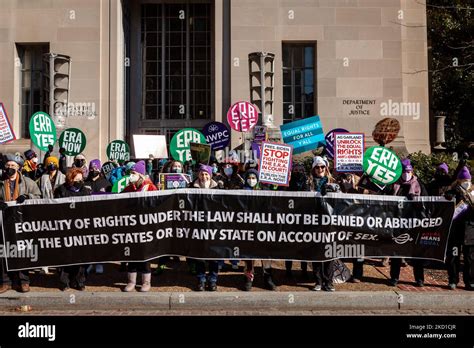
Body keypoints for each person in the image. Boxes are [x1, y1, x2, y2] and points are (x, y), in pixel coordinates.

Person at [0, 154, 41, 293]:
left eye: (13, 166)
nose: (10, 168)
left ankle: (23, 281)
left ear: (18, 168)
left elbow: (38, 197)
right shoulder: (1, 182)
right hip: (4, 223)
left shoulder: (28, 182)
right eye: (8, 165)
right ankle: (6, 282)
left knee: (22, 252)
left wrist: (27, 197)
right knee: (4, 252)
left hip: (21, 222)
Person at [54, 168, 91, 290]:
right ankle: (64, 281)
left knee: (80, 256)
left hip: (81, 228)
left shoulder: (85, 191)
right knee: (66, 256)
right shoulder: (61, 190)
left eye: (81, 179)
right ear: (70, 179)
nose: (79, 182)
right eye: (77, 179)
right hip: (66, 227)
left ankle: (79, 281)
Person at [122, 161, 157, 292]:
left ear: (141, 175)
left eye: (133, 173)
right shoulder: (128, 188)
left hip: (145, 227)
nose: (131, 176)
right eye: (130, 173)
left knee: (144, 255)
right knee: (132, 255)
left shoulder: (150, 188)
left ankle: (146, 282)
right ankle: (131, 281)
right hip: (131, 227)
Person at [390, 158, 425, 287]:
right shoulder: (394, 184)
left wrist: (415, 201)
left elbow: (427, 202)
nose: (406, 173)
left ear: (412, 171)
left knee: (417, 253)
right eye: (404, 171)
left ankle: (419, 279)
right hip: (398, 223)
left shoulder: (418, 184)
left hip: (414, 224)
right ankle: (394, 277)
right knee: (396, 252)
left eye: (409, 171)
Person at [241, 169, 277, 291]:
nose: (251, 180)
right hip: (248, 228)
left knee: (265, 254)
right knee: (249, 255)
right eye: (249, 177)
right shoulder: (240, 192)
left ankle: (267, 277)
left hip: (263, 228)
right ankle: (248, 277)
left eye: (254, 178)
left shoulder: (265, 191)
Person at [445, 166, 474, 290]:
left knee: (470, 258)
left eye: (467, 180)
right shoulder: (452, 192)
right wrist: (452, 194)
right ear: (458, 181)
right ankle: (453, 280)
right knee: (453, 257)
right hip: (455, 230)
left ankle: (470, 281)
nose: (466, 183)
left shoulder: (473, 193)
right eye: (463, 180)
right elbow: (445, 201)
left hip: (470, 229)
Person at [310, 156, 336, 291]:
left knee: (329, 253)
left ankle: (328, 281)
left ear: (326, 168)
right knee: (316, 252)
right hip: (314, 222)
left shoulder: (333, 182)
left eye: (322, 167)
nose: (320, 169)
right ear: (313, 169)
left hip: (330, 223)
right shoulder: (309, 183)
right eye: (317, 167)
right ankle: (318, 281)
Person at [192, 164, 219, 291]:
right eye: (202, 174)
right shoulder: (191, 187)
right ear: (198, 175)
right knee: (199, 255)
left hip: (214, 226)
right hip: (198, 226)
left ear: (210, 175)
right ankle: (201, 278)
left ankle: (213, 279)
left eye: (206, 174)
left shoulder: (218, 187)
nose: (204, 176)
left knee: (214, 254)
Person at [84, 159, 111, 274]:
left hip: (101, 216)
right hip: (88, 216)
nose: (93, 170)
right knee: (89, 242)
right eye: (91, 168)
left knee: (100, 241)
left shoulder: (106, 183)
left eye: (95, 168)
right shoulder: (85, 183)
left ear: (99, 169)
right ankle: (89, 263)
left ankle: (100, 263)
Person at [285, 163, 310, 280]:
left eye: (300, 170)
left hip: (304, 220)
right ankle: (288, 270)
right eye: (296, 170)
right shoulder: (288, 184)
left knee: (304, 247)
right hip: (290, 219)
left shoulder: (308, 183)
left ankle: (303, 269)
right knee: (289, 246)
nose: (298, 172)